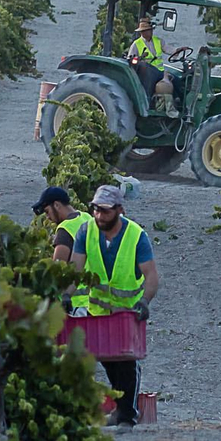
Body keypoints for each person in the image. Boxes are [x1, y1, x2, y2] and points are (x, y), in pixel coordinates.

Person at [70, 183, 159, 427]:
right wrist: (63, 295)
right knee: (108, 360)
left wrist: (144, 301)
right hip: (98, 311)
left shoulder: (136, 236)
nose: (99, 216)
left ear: (119, 210)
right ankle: (120, 410)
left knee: (127, 364)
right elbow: (74, 270)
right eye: (96, 210)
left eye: (105, 211)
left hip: (126, 313)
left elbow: (151, 277)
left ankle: (127, 416)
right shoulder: (86, 232)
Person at [34, 185, 92, 264]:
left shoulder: (65, 230)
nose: (47, 217)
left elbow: (57, 268)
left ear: (56, 205)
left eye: (47, 212)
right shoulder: (86, 216)